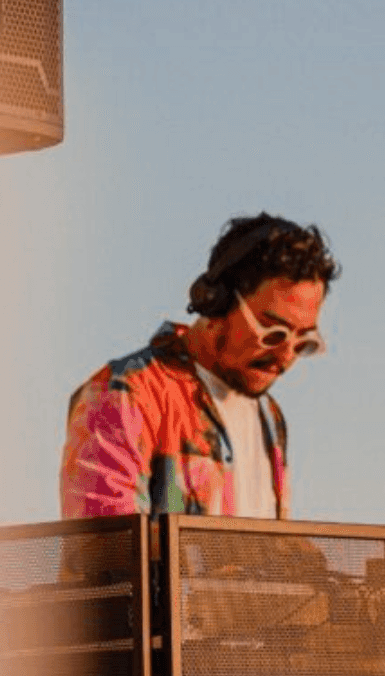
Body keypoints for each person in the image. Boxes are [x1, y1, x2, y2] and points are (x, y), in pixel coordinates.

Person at [59, 214, 339, 519]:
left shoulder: (270, 417)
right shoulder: (127, 394)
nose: (286, 356)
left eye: (304, 342)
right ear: (216, 302)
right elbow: (106, 553)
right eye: (273, 334)